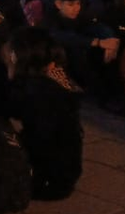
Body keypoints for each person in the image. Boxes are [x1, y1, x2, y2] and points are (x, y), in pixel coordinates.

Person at [6, 27, 82, 200]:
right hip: (63, 173)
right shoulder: (55, 77)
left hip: (47, 181)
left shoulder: (38, 91)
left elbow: (40, 139)